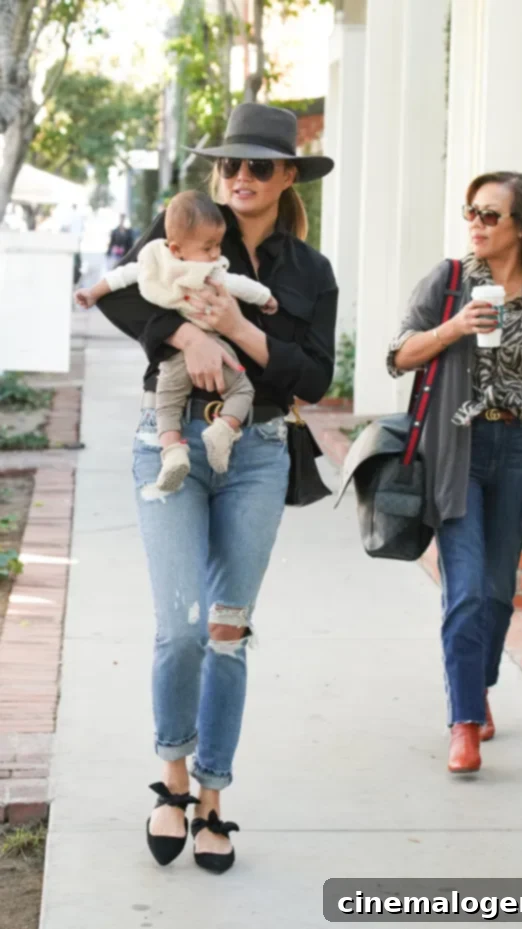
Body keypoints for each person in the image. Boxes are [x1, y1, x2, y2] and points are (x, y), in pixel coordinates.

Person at [96, 103, 336, 872]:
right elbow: (125, 294)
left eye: (257, 166)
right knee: (182, 625)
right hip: (166, 440)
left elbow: (316, 376)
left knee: (228, 631)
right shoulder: (187, 230)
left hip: (257, 450)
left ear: (286, 177)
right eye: (230, 164)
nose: (239, 176)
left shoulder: (311, 272)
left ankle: (212, 799)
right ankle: (170, 780)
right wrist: (189, 332)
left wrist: (234, 325)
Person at [388, 172, 522, 775]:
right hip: (459, 449)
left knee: (499, 591)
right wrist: (453, 327)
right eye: (472, 213)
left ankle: (476, 685)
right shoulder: (451, 281)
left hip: (520, 453)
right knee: (466, 590)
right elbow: (398, 354)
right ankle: (463, 721)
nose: (477, 225)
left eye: (490, 215)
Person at [75, 190, 278, 487]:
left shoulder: (154, 262)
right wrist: (266, 298)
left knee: (166, 404)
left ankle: (172, 452)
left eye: (217, 246)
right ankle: (223, 430)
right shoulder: (211, 271)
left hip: (171, 355)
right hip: (215, 349)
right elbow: (240, 285)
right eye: (208, 246)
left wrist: (92, 292)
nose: (215, 254)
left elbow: (121, 277)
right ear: (177, 248)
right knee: (242, 391)